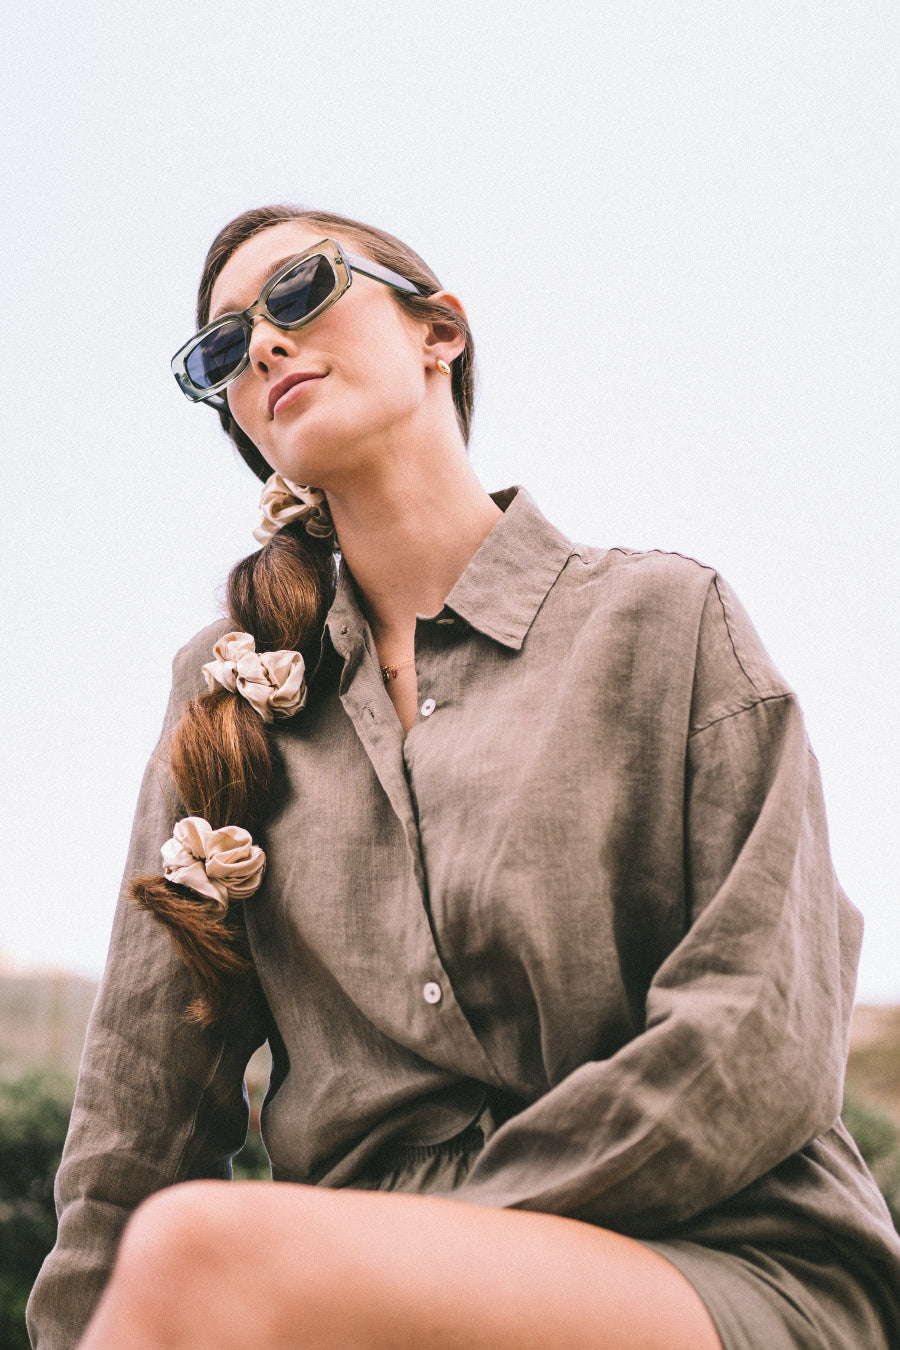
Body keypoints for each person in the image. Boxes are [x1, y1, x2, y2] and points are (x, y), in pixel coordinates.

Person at [27, 205, 900, 1350]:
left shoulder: (662, 621)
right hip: (364, 1289)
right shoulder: (221, 700)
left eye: (297, 293)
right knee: (179, 1253)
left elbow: (762, 1035)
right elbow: (134, 1121)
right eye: (223, 351)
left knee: (203, 1250)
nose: (266, 347)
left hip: (715, 1251)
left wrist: (431, 1243)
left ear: (440, 332)